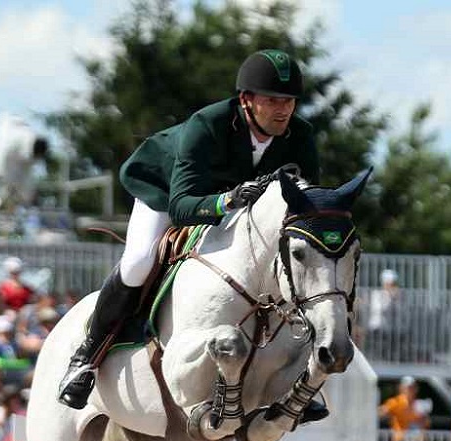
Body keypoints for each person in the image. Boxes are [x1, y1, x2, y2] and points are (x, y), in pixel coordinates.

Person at [59, 49, 321, 412]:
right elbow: (182, 208)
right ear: (246, 100)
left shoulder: (301, 135)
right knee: (138, 262)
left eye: (290, 101)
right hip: (167, 192)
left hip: (238, 206)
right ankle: (87, 356)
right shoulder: (208, 125)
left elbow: (305, 208)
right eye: (273, 100)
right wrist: (225, 201)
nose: (284, 109)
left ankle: (295, 374)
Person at [378, 376, 430, 441]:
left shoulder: (420, 404)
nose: (410, 390)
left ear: (416, 389)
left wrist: (423, 420)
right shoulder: (395, 402)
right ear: (401, 388)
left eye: (412, 387)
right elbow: (381, 412)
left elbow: (426, 423)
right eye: (408, 388)